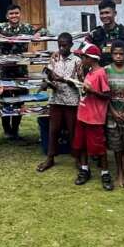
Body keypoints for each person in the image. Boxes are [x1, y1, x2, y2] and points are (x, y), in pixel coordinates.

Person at [0, 4, 42, 140]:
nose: (14, 16)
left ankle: (15, 130)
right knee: (5, 100)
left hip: (21, 70)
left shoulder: (26, 27)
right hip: (6, 70)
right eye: (11, 14)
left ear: (20, 14)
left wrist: (38, 34)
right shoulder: (1, 27)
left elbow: (45, 31)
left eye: (16, 13)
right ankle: (7, 130)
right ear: (7, 16)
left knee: (20, 100)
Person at [37, 32, 81, 173]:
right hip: (56, 99)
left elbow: (80, 83)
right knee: (53, 129)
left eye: (65, 45)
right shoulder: (55, 58)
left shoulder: (77, 61)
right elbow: (48, 75)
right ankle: (50, 157)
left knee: (72, 130)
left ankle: (77, 158)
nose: (62, 48)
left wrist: (62, 80)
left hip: (71, 101)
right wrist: (47, 83)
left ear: (71, 45)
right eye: (59, 45)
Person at [72, 44, 113, 191]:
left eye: (82, 57)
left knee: (99, 147)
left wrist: (93, 91)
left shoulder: (101, 73)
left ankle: (105, 173)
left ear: (91, 59)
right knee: (81, 145)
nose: (81, 59)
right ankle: (84, 169)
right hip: (83, 115)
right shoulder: (89, 72)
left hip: (95, 118)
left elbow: (107, 95)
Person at [103, 40, 124, 187]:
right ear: (111, 55)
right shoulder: (106, 71)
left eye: (121, 54)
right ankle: (119, 172)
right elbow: (105, 95)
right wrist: (113, 110)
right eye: (115, 54)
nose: (118, 56)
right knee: (116, 146)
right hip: (112, 114)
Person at [87, 0, 124, 68]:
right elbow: (83, 53)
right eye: (101, 13)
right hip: (103, 76)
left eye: (107, 13)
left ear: (115, 13)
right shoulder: (94, 34)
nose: (104, 16)